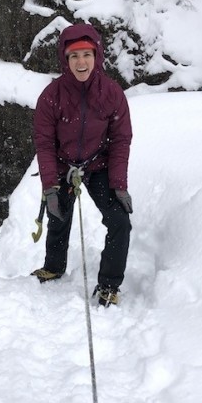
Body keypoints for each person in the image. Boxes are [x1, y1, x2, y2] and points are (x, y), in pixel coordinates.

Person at [31, 23, 133, 306]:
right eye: (74, 56)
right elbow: (45, 143)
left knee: (119, 221)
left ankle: (109, 285)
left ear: (96, 56)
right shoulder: (51, 96)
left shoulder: (111, 93)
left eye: (86, 54)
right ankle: (54, 266)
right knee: (58, 215)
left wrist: (119, 185)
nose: (81, 62)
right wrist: (51, 185)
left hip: (97, 164)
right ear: (65, 59)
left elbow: (121, 140)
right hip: (64, 165)